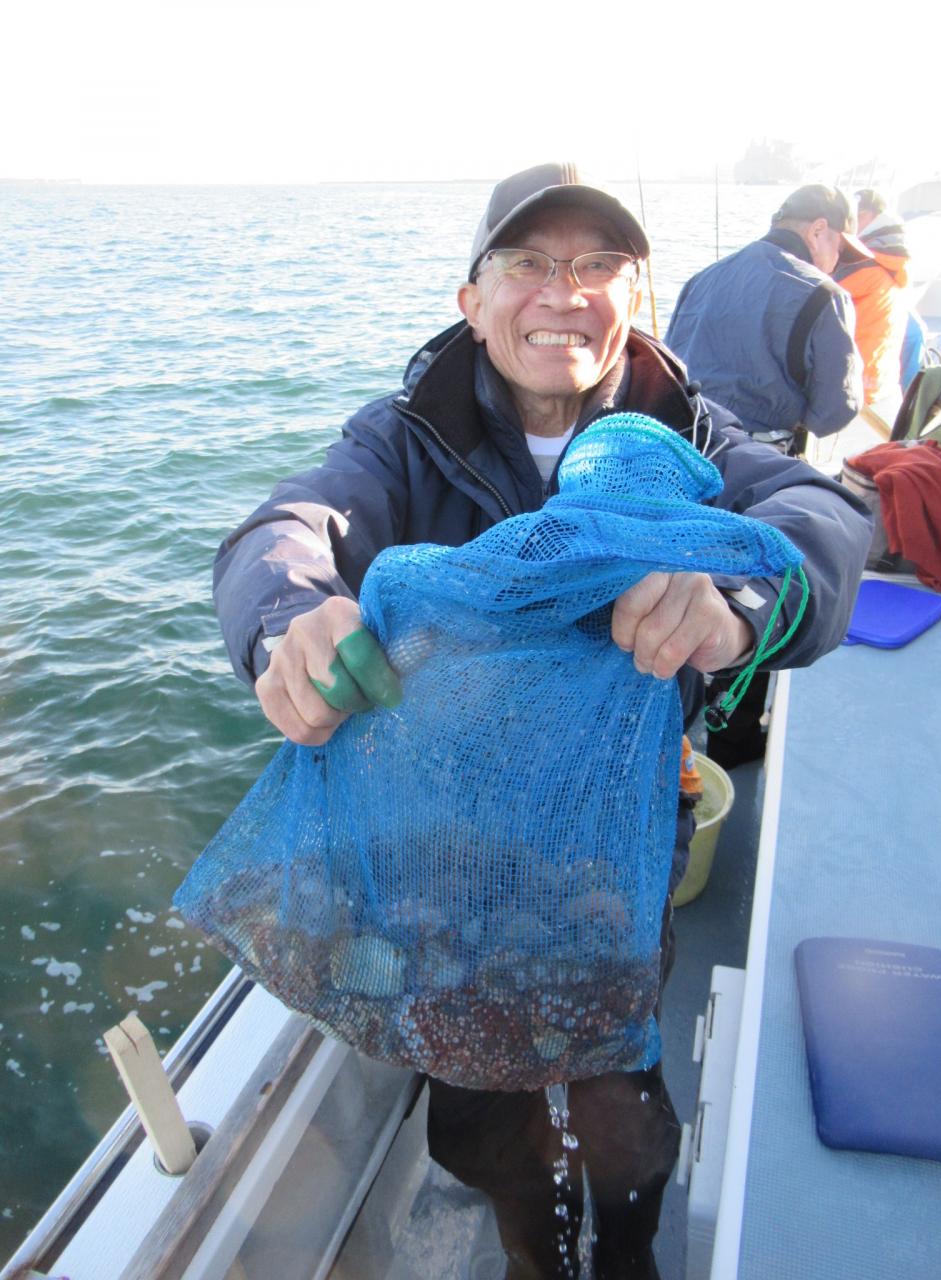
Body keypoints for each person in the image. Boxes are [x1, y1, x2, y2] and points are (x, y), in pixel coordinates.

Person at [212, 162, 873, 1280]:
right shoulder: (399, 439)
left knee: (620, 1114)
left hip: (619, 852)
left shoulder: (692, 435)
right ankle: (529, 1249)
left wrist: (738, 600)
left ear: (634, 298)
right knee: (480, 1115)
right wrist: (289, 619)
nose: (563, 292)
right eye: (527, 263)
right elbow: (287, 525)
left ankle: (627, 1251)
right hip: (445, 860)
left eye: (598, 264)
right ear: (472, 300)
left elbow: (829, 514)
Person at [664, 184, 863, 449]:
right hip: (754, 457)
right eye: (841, 250)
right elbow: (833, 413)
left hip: (680, 446)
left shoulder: (701, 279)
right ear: (818, 230)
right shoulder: (826, 295)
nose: (837, 262)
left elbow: (668, 369)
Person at [833, 188, 910, 421]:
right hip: (881, 386)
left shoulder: (861, 268)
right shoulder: (893, 265)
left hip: (850, 392)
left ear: (864, 217)